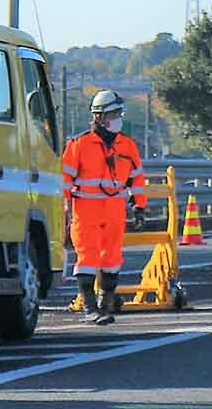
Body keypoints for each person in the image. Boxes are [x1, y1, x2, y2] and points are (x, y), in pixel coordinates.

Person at [62, 89, 147, 324]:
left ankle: (105, 303)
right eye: (113, 113)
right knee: (87, 257)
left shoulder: (127, 145)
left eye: (119, 113)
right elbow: (64, 180)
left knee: (112, 257)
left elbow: (137, 178)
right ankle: (90, 307)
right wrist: (63, 210)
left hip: (114, 209)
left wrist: (139, 206)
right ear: (99, 117)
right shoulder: (79, 144)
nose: (118, 118)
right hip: (85, 209)